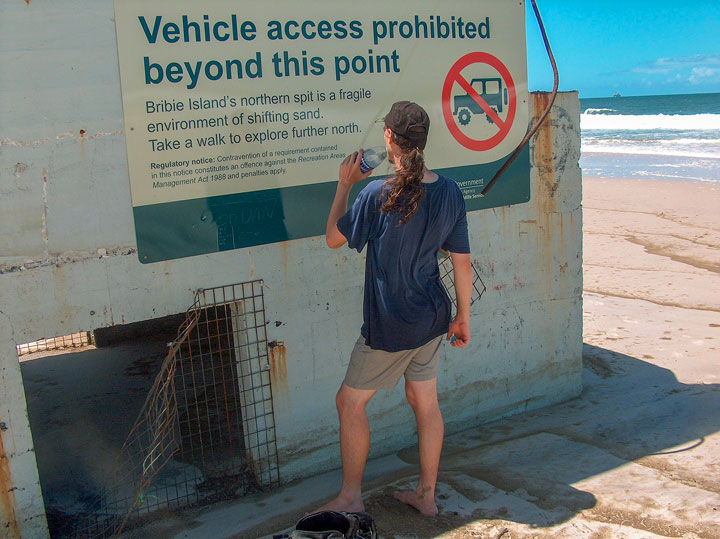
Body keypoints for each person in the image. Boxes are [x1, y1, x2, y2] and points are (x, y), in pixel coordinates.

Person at [321, 101, 473, 517]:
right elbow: (462, 261)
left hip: (390, 325)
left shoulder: (376, 193)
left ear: (389, 138)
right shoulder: (450, 190)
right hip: (431, 319)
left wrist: (343, 184)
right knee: (424, 401)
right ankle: (427, 495)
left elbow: (334, 238)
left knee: (349, 404)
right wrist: (462, 318)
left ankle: (351, 497)